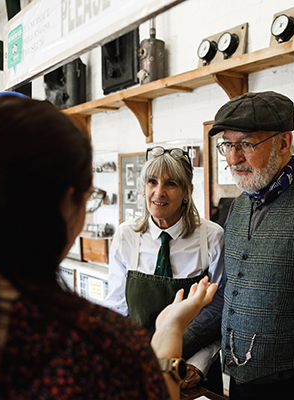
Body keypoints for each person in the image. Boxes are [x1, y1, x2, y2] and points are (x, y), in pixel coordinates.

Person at [0, 96, 216, 400]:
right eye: (88, 195)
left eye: (171, 184)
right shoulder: (90, 345)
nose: (159, 193)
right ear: (66, 203)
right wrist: (168, 337)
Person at [184, 91, 294, 399]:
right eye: (227, 144)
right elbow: (228, 297)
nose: (232, 158)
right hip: (240, 386)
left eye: (245, 144)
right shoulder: (239, 206)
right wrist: (165, 344)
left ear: (284, 142)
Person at [104, 146, 225, 393]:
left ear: (187, 192)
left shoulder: (211, 237)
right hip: (140, 366)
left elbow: (219, 312)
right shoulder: (126, 236)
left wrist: (197, 365)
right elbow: (116, 310)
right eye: (152, 182)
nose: (158, 192)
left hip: (194, 372)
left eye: (170, 183)